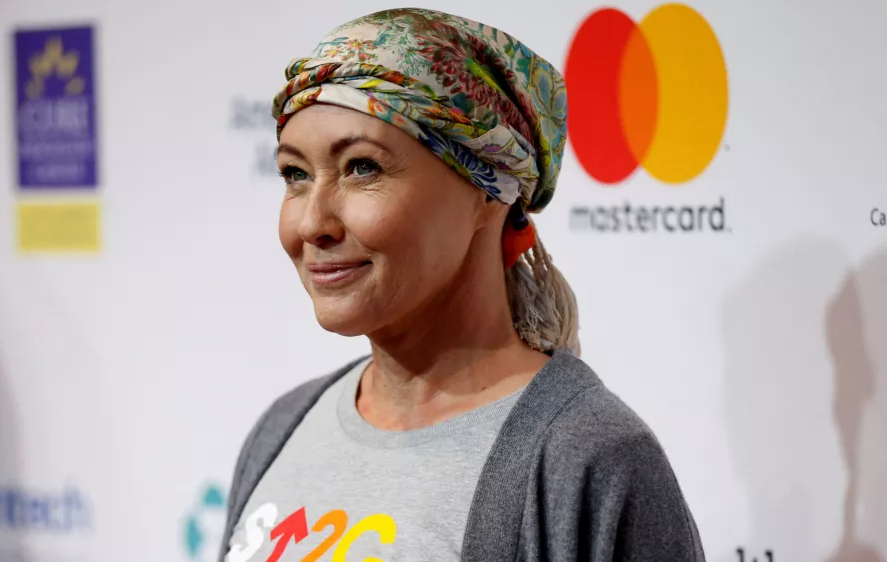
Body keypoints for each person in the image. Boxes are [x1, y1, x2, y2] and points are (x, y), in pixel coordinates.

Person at [220, 8, 705, 562]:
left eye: (362, 168)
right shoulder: (284, 428)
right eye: (295, 174)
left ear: (487, 188)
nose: (311, 223)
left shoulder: (587, 458)